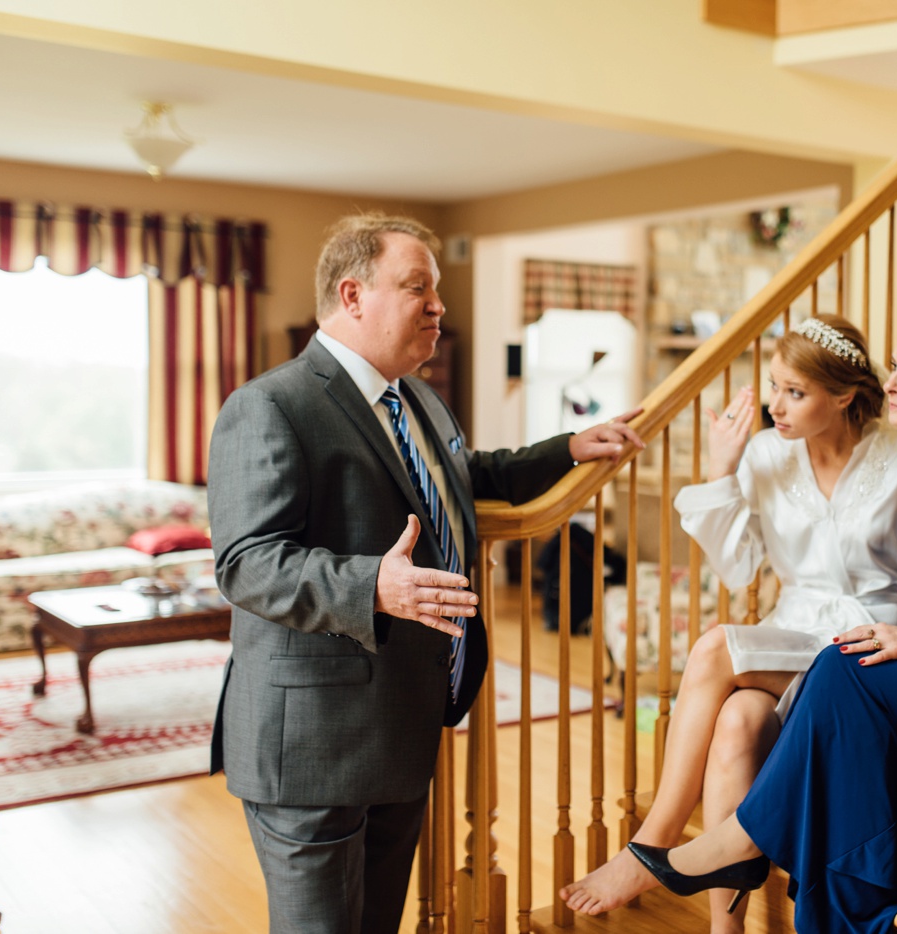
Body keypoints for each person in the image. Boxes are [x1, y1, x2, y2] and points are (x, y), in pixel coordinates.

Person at [570, 295, 897, 933]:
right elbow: (752, 562)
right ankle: (726, 905)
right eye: (894, 365)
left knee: (835, 663)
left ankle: (727, 842)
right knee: (741, 717)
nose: (891, 381)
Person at [206, 212, 643, 934]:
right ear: (353, 296)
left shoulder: (417, 399)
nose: (439, 306)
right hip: (310, 742)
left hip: (399, 726)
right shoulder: (270, 405)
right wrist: (370, 585)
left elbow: (464, 477)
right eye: (418, 288)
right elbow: (246, 563)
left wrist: (569, 447)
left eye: (434, 290)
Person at [562, 314, 897, 930]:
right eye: (773, 386)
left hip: (867, 645)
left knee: (713, 649)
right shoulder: (762, 454)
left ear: (843, 395)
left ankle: (653, 845)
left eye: (795, 392)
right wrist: (720, 470)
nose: (775, 406)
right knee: (735, 723)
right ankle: (726, 929)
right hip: (793, 632)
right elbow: (739, 571)